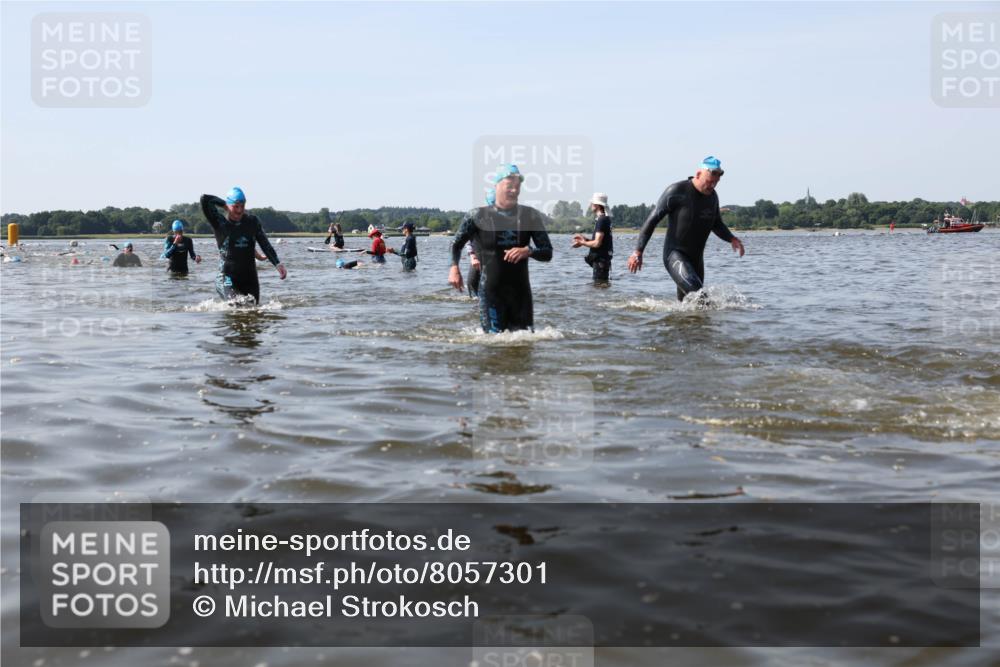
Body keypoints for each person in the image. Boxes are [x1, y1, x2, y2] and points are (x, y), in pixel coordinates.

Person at [448, 164, 553, 332]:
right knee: (493, 342)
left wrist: (529, 251)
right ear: (497, 186)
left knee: (524, 342)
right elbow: (456, 244)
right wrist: (454, 268)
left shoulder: (530, 215)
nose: (514, 190)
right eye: (509, 186)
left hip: (521, 294)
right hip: (491, 292)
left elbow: (547, 252)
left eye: (517, 186)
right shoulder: (477, 215)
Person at [627, 156, 745, 301]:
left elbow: (716, 224)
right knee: (700, 297)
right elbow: (652, 220)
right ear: (698, 174)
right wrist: (638, 252)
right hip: (675, 255)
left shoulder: (712, 197)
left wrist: (732, 238)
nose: (712, 186)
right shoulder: (677, 191)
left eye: (716, 182)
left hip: (697, 260)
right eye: (709, 181)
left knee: (687, 305)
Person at [200, 186, 287, 305]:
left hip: (250, 277)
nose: (239, 210)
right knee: (236, 304)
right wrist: (224, 204)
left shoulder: (252, 222)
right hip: (227, 278)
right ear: (228, 205)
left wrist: (277, 264)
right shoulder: (220, 222)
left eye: (242, 206)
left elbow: (265, 244)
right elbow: (205, 199)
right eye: (236, 206)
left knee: (254, 309)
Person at [572, 192, 614, 283]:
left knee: (598, 286)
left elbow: (597, 243)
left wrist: (582, 242)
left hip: (600, 262)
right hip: (603, 261)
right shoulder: (605, 219)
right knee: (601, 287)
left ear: (597, 205)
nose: (590, 204)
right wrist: (585, 239)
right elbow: (601, 242)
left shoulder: (601, 220)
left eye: (592, 203)